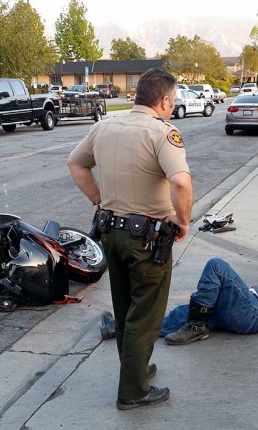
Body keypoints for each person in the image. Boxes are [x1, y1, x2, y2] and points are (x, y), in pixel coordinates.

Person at [67, 67, 193, 410]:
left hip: (110, 233)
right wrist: (182, 220)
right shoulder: (163, 133)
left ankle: (134, 370)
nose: (174, 106)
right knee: (145, 315)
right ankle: (134, 392)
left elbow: (76, 164)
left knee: (124, 311)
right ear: (164, 100)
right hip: (147, 240)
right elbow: (180, 182)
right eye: (174, 100)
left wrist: (98, 200)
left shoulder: (104, 126)